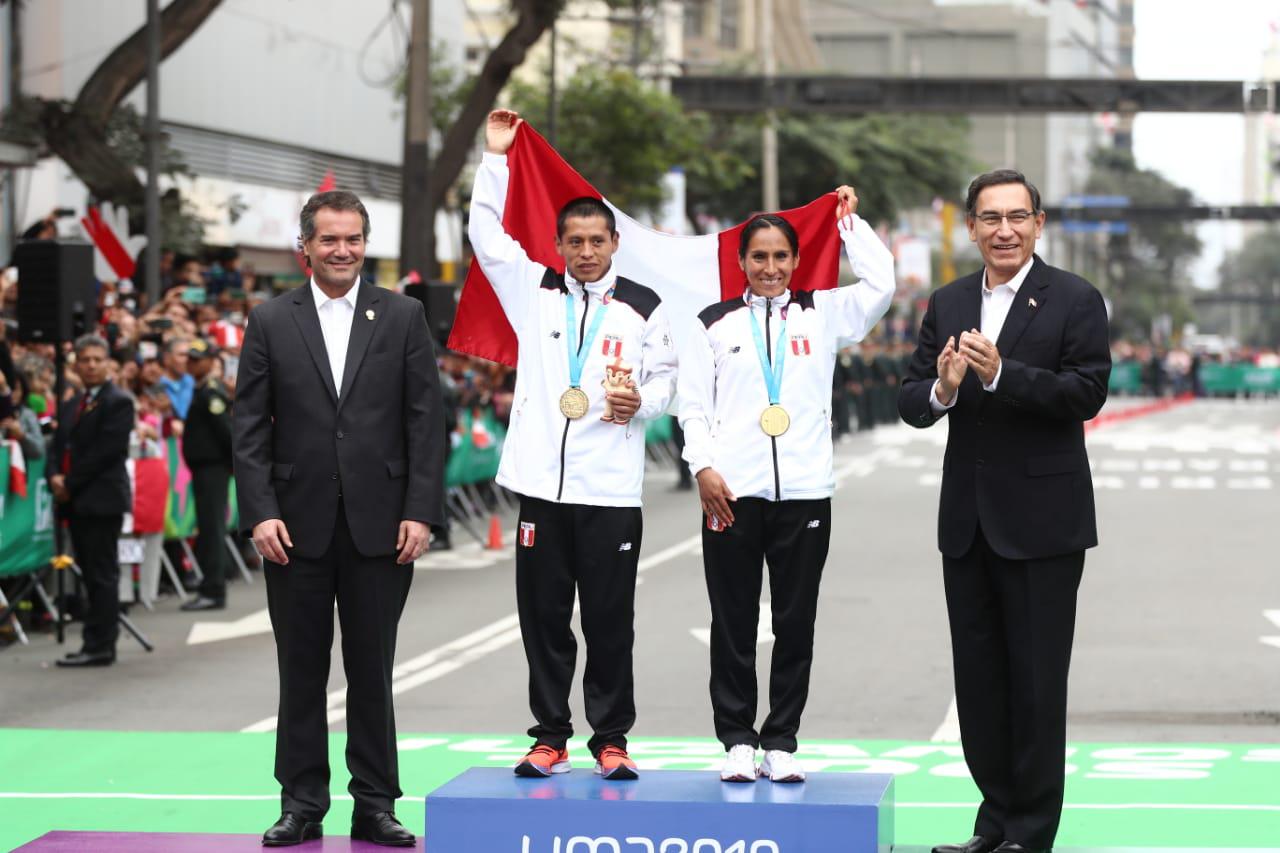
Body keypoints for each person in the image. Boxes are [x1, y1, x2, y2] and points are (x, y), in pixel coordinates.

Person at [897, 169, 1110, 853]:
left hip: (1044, 524)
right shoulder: (951, 299)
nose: (1004, 230)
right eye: (990, 218)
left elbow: (1086, 393)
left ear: (1039, 224)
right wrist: (944, 386)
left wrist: (1000, 374)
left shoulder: (1074, 299)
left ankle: (1030, 834)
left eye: (1018, 217)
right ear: (972, 227)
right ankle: (993, 824)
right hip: (968, 523)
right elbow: (910, 399)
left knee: (1037, 685)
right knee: (981, 686)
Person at [469, 109, 678, 781]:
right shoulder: (532, 290)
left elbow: (672, 383)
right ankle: (550, 734)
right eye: (575, 240)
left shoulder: (645, 306)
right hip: (542, 489)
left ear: (614, 241)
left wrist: (642, 400)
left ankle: (611, 736)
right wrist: (496, 159)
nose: (586, 251)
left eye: (596, 239)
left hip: (611, 491)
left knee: (610, 620)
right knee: (544, 619)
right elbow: (484, 234)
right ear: (559, 244)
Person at [234, 189, 446, 847]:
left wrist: (420, 509)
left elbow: (425, 419)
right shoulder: (270, 319)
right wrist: (260, 512)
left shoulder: (404, 315)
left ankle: (375, 803)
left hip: (382, 525)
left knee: (371, 669)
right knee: (300, 668)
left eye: (353, 238)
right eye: (329, 239)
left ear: (365, 243)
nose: (342, 250)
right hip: (293, 529)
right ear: (306, 246)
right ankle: (301, 802)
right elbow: (247, 426)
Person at [678, 195, 895, 784]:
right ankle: (736, 742)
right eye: (758, 257)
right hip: (731, 493)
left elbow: (882, 282)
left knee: (796, 620)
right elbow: (692, 404)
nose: (769, 267)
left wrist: (847, 223)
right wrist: (702, 467)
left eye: (780, 256)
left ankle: (781, 741)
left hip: (804, 492)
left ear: (797, 260)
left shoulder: (823, 314)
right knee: (733, 619)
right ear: (742, 262)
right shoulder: (713, 323)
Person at [49, 335, 135, 668]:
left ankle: (101, 644)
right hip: (78, 501)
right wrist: (54, 476)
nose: (91, 365)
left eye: (98, 359)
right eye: (85, 360)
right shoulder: (73, 402)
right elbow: (59, 445)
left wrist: (68, 483)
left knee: (102, 574)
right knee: (90, 574)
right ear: (76, 364)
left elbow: (105, 452)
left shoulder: (118, 401)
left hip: (102, 500)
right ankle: (92, 638)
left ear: (108, 362)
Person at [180, 338, 233, 611]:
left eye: (196, 359)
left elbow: (227, 432)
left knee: (212, 529)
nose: (191, 363)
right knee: (208, 527)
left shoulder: (211, 392)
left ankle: (214, 589)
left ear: (211, 361)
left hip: (213, 469)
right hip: (204, 470)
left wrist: (232, 463)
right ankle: (210, 583)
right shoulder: (201, 390)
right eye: (189, 358)